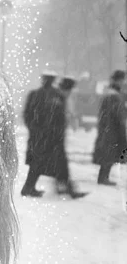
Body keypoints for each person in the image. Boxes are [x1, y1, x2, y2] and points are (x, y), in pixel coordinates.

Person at [21, 70, 86, 199]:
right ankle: (65, 188)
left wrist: (34, 130)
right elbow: (56, 117)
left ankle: (31, 188)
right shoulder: (54, 95)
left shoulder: (37, 94)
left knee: (40, 163)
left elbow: (28, 115)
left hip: (43, 137)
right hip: (50, 137)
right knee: (52, 163)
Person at [55, 77, 88, 198]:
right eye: (69, 90)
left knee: (59, 165)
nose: (70, 93)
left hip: (55, 137)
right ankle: (69, 189)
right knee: (61, 164)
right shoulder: (57, 98)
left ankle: (63, 187)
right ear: (66, 89)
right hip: (54, 138)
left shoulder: (59, 97)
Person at [93, 69, 127, 186]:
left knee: (110, 152)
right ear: (118, 80)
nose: (123, 82)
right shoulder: (113, 95)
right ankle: (103, 178)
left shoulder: (112, 93)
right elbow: (117, 113)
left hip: (109, 127)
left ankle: (103, 177)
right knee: (109, 152)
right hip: (111, 128)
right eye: (122, 80)